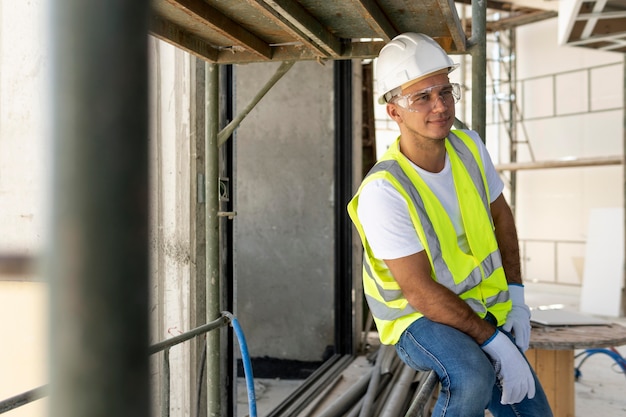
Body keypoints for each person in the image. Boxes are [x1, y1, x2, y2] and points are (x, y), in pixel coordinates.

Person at [347, 33, 553, 417]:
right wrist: (493, 341)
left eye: (445, 90)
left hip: (478, 303)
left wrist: (518, 298)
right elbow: (420, 292)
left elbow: (501, 219)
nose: (440, 106)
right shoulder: (385, 191)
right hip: (416, 317)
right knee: (472, 374)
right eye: (421, 97)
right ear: (394, 112)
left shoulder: (469, 147)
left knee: (535, 414)